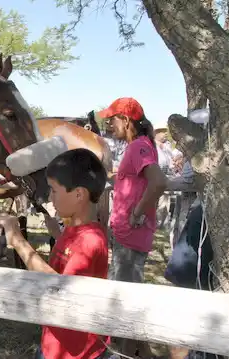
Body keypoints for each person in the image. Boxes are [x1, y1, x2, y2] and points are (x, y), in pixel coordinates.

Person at [0, 148, 111, 359]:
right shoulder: (77, 230)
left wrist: (18, 240)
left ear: (78, 194)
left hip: (74, 353)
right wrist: (57, 233)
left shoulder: (90, 240)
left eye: (54, 191)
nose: (49, 196)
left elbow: (60, 289)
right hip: (56, 342)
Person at [98, 97, 167, 357]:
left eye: (112, 119)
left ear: (126, 120)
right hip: (126, 235)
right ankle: (141, 353)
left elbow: (158, 183)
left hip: (130, 236)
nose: (109, 124)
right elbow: (138, 180)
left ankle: (126, 354)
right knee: (126, 296)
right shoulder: (139, 146)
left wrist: (137, 212)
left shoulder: (139, 146)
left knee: (126, 302)